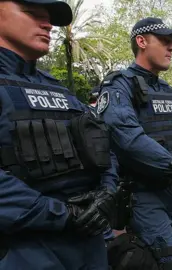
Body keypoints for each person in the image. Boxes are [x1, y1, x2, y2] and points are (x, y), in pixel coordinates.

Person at [0, 1, 118, 269]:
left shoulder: (58, 89)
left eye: (49, 19)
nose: (48, 25)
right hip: (23, 249)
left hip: (89, 240)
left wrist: (107, 194)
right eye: (33, 14)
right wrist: (63, 214)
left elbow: (103, 146)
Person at [98, 17, 172, 269]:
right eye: (165, 41)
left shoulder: (168, 91)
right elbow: (127, 137)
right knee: (164, 261)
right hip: (144, 194)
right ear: (142, 41)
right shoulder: (119, 85)